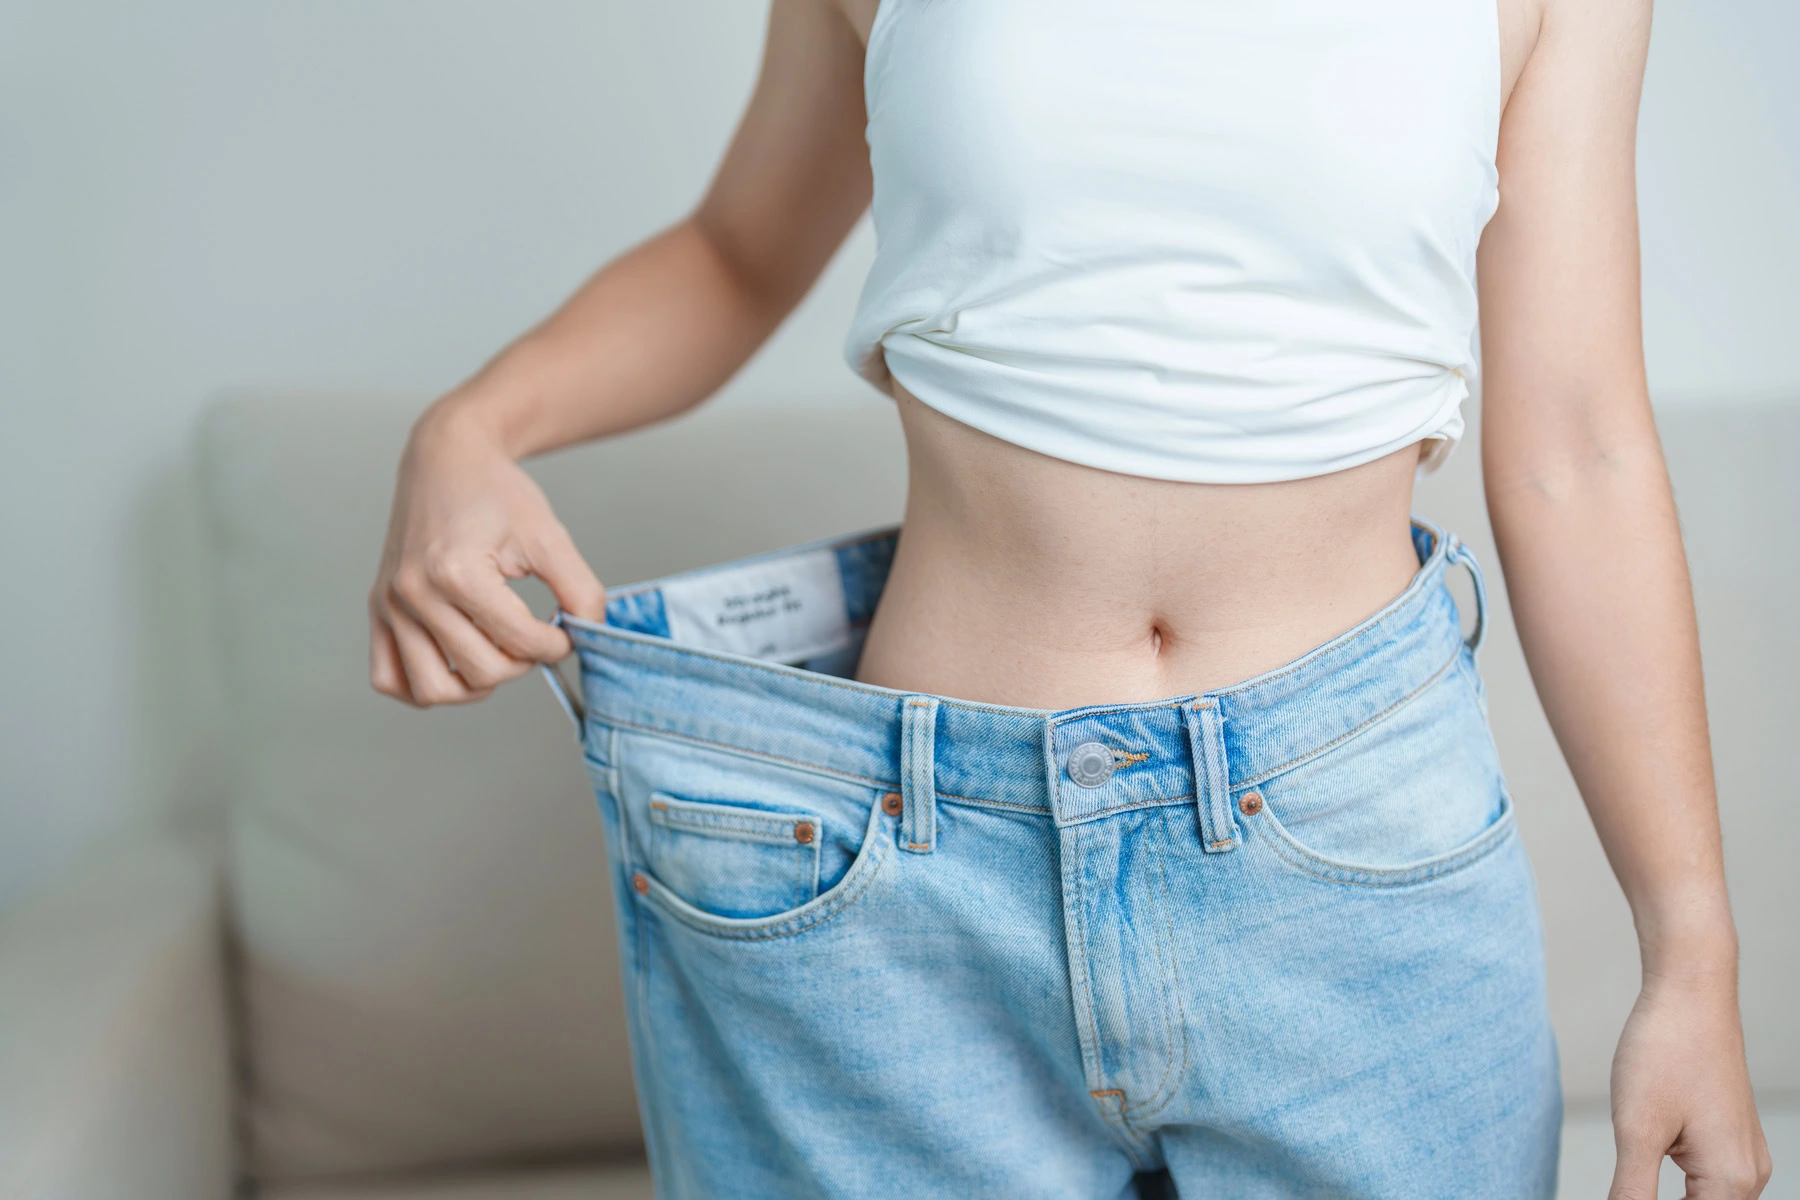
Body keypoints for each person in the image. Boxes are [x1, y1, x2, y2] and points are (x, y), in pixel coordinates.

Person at [368, 0, 1771, 1196]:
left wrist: (1690, 951)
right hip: (900, 879)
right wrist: (472, 428)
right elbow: (738, 253)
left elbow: (1577, 448)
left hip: (1354, 852)